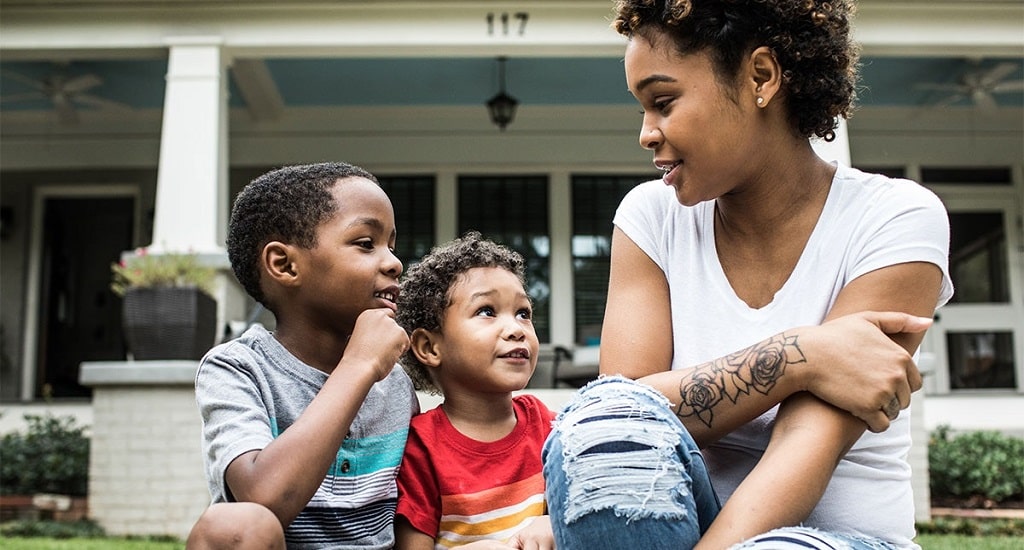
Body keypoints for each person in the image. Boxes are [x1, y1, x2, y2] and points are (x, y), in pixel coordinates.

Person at [542, 1, 954, 549]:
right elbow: (626, 417)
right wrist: (799, 355)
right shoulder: (651, 217)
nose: (646, 133)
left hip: (837, 538)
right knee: (602, 424)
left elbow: (805, 445)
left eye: (663, 102)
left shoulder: (894, 217)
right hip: (678, 526)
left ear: (760, 77)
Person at [186, 162, 418, 549]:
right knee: (231, 524)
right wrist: (359, 366)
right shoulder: (238, 369)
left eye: (391, 245)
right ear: (284, 264)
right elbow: (263, 499)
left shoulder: (395, 382)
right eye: (366, 243)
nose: (394, 262)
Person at [393, 232, 556, 549]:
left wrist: (555, 523)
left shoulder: (549, 428)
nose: (516, 330)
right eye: (487, 311)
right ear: (430, 347)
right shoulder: (420, 448)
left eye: (523, 313)